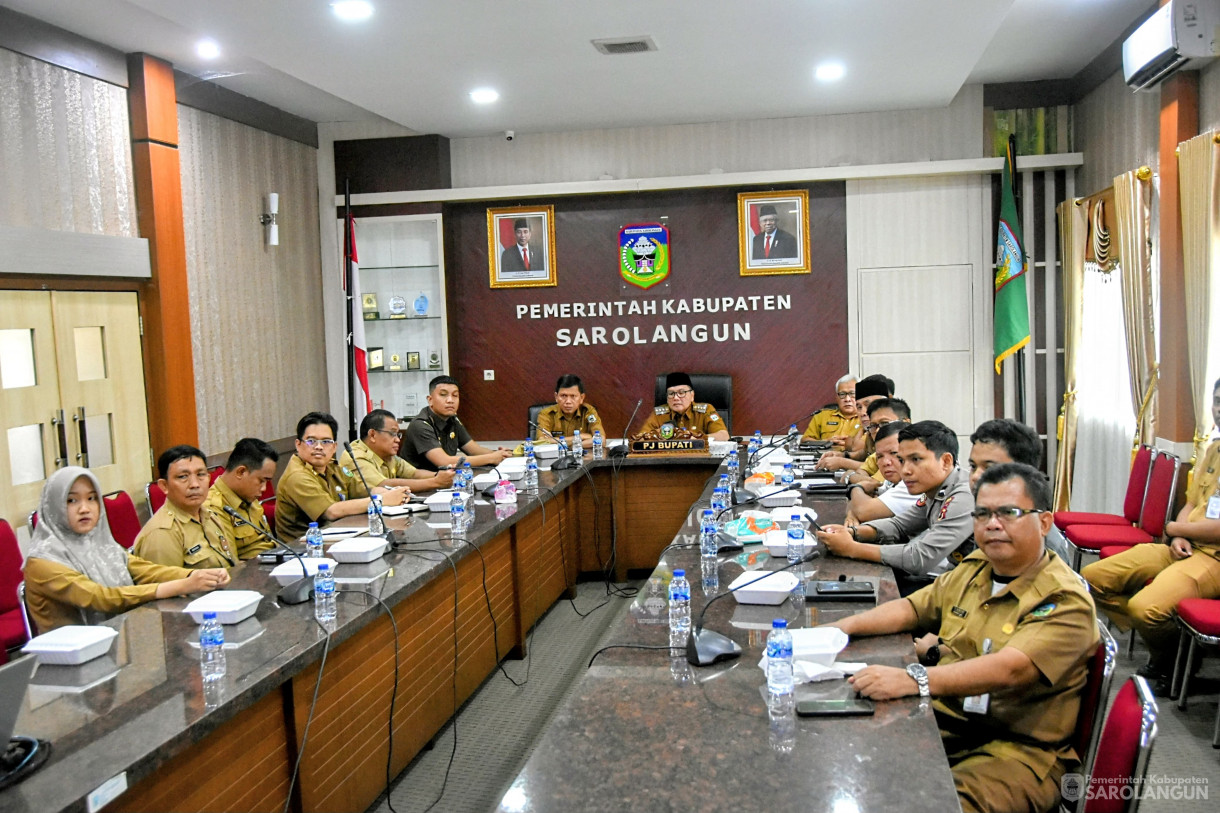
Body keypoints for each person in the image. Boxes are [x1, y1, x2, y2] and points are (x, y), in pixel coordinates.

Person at [828, 463, 1097, 813]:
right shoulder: (978, 567)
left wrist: (914, 680)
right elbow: (913, 608)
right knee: (845, 744)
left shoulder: (1063, 599)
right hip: (952, 718)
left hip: (1016, 750)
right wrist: (838, 629)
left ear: (1044, 522)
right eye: (982, 513)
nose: (993, 524)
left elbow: (1010, 669)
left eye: (1010, 513)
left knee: (935, 805)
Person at [1082, 377, 1220, 690]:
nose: (1219, 409)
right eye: (1217, 401)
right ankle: (1177, 640)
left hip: (1213, 558)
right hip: (1184, 546)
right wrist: (1179, 536)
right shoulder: (1214, 450)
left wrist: (1173, 528)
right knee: (1093, 578)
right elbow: (1192, 503)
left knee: (1145, 608)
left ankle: (1169, 663)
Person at [22, 467, 229, 633]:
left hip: (114, 643)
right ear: (53, 507)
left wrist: (198, 575)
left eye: (92, 498)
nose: (84, 508)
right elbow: (101, 598)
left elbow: (144, 570)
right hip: (68, 664)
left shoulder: (95, 542)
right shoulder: (42, 561)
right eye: (71, 500)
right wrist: (180, 586)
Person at [817, 420, 974, 591]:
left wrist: (851, 548)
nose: (905, 470)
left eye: (916, 459)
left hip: (968, 592)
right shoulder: (936, 488)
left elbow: (919, 558)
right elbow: (899, 524)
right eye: (902, 460)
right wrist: (852, 532)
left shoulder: (962, 496)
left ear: (945, 461)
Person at [276, 411, 407, 541]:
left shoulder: (332, 467)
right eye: (311, 441)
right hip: (305, 549)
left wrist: (392, 493)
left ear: (334, 447)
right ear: (298, 445)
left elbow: (363, 490)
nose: (319, 447)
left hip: (338, 538)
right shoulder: (296, 476)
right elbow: (332, 511)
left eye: (326, 441)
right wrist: (382, 500)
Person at [133, 445, 238, 569]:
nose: (194, 484)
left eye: (201, 475)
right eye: (183, 477)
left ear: (209, 479)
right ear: (164, 486)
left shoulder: (210, 515)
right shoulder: (161, 533)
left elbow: (233, 564)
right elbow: (168, 586)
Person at [403, 376, 514, 470]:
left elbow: (474, 450)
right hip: (420, 486)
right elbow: (444, 462)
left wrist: (500, 455)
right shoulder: (421, 425)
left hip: (445, 480)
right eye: (443, 395)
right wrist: (491, 458)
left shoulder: (452, 419)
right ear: (430, 399)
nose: (450, 400)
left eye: (455, 395)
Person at [339, 409, 454, 491]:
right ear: (373, 435)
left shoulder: (387, 455)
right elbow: (384, 485)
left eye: (398, 435)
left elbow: (414, 474)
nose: (397, 440)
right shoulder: (355, 456)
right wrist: (435, 482)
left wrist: (442, 476)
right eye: (392, 434)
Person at [204, 438, 279, 559]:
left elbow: (268, 542)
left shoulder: (248, 495)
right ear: (240, 472)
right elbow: (232, 565)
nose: (264, 488)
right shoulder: (213, 507)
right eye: (261, 481)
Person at [844, 421, 919, 522]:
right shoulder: (892, 481)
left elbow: (863, 512)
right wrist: (852, 514)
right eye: (879, 456)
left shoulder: (912, 483)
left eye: (893, 453)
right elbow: (855, 508)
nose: (885, 462)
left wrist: (856, 488)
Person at [817, 374, 893, 468]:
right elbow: (866, 454)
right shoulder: (871, 429)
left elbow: (878, 470)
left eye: (868, 405)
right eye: (859, 407)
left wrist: (843, 464)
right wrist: (844, 455)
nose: (862, 413)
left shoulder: (892, 430)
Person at [638, 372, 730, 442]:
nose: (676, 398)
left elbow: (723, 436)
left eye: (681, 393)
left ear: (692, 395)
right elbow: (640, 438)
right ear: (667, 398)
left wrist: (695, 438)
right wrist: (661, 435)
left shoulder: (705, 411)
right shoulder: (658, 414)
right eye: (671, 394)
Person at [845, 397, 912, 489]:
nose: (877, 430)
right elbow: (862, 472)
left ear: (906, 422)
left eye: (884, 423)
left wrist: (850, 475)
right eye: (873, 426)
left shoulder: (909, 451)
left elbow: (877, 484)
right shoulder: (882, 452)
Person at [533, 374, 604, 449]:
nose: (568, 401)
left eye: (573, 396)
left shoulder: (588, 411)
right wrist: (580, 437)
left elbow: (601, 440)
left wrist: (570, 446)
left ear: (581, 398)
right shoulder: (546, 414)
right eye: (563, 396)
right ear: (556, 397)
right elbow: (542, 442)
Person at [801, 375, 859, 444]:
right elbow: (805, 441)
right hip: (826, 454)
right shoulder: (821, 416)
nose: (847, 399)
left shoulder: (867, 418)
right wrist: (825, 442)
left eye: (852, 393)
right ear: (836, 398)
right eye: (842, 394)